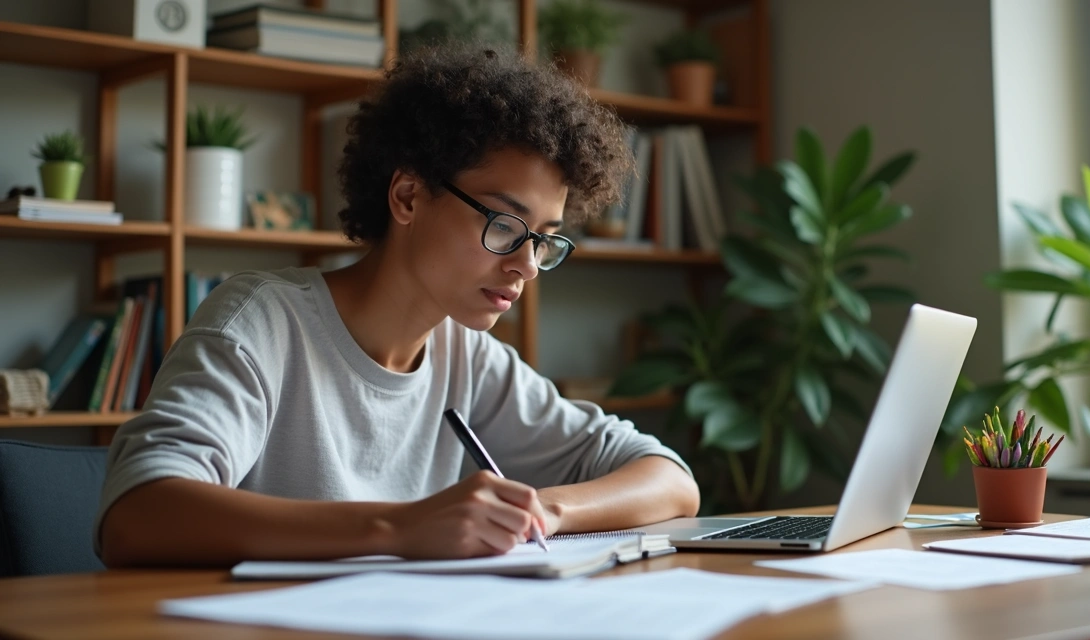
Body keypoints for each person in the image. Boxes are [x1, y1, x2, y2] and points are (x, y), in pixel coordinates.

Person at [96, 44, 700, 567]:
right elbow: (136, 514)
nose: (526, 264)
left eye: (544, 238)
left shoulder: (467, 357)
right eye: (505, 224)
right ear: (408, 195)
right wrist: (399, 527)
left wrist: (544, 510)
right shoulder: (262, 324)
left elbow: (669, 479)